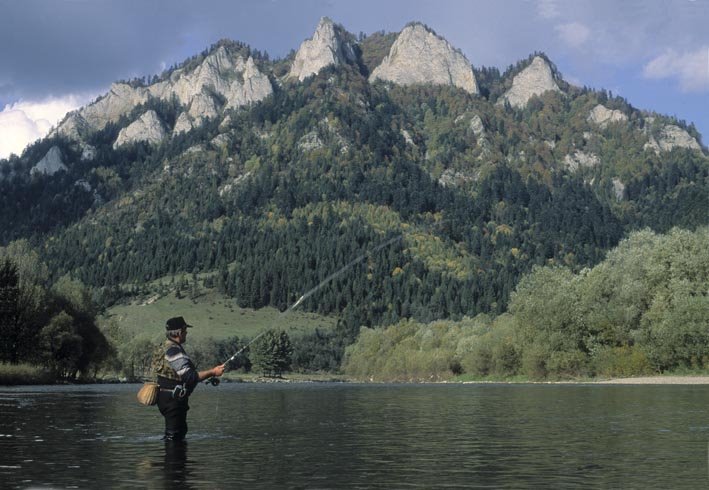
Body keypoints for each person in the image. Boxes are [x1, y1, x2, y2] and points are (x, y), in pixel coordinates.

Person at [154, 316, 225, 441]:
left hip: (166, 398)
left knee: (175, 433)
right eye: (185, 331)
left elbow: (177, 376)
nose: (186, 333)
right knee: (174, 436)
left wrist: (208, 376)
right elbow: (190, 377)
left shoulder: (164, 347)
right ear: (180, 332)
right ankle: (173, 460)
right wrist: (213, 372)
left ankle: (171, 459)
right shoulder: (174, 351)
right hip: (173, 401)